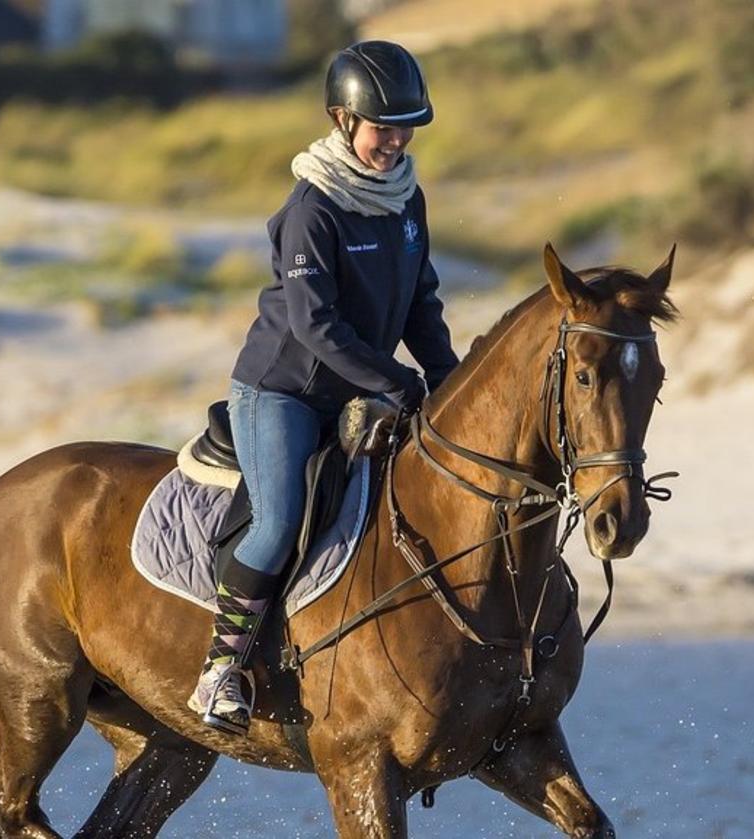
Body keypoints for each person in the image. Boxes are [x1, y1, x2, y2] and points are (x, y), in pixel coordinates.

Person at [187, 41, 460, 735]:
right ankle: (221, 667)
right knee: (280, 519)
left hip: (361, 389)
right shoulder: (313, 207)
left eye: (406, 128)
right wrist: (396, 379)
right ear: (342, 119)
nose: (395, 142)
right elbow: (314, 323)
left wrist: (448, 380)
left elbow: (422, 304)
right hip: (283, 390)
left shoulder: (406, 200)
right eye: (382, 128)